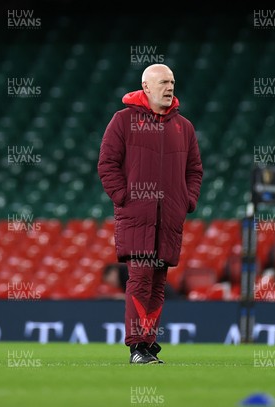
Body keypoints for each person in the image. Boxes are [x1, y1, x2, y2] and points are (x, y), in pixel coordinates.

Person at [98, 64, 203, 364]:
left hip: (169, 219)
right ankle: (136, 346)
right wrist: (124, 198)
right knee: (140, 279)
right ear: (145, 87)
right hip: (137, 217)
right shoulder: (123, 120)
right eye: (162, 83)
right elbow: (107, 164)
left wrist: (187, 200)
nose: (169, 88)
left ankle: (148, 343)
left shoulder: (184, 127)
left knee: (158, 284)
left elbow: (194, 170)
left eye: (172, 82)